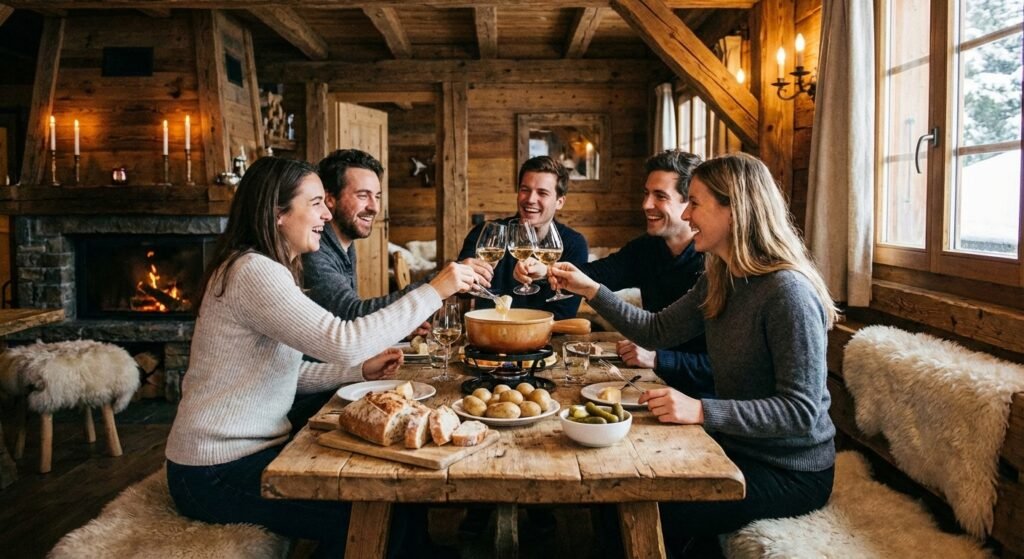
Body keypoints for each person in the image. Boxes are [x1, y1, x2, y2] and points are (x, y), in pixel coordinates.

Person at [165, 157, 479, 558]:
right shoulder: (254, 272)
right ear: (278, 214)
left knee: (396, 499)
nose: (327, 213)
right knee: (375, 515)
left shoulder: (265, 267)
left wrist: (357, 370)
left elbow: (286, 374)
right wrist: (436, 289)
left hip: (239, 458)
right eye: (316, 203)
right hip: (213, 472)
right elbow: (343, 339)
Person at [549, 153, 838, 555]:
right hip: (732, 445)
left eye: (696, 202)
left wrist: (703, 410)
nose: (686, 213)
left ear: (734, 210)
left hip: (789, 469)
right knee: (613, 487)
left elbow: (799, 411)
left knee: (644, 506)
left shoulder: (787, 293)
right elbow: (656, 330)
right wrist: (590, 289)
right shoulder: (720, 276)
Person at [515, 149, 713, 396]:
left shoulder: (714, 265)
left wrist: (660, 359)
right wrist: (546, 271)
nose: (645, 205)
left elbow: (723, 366)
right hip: (655, 384)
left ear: (689, 203)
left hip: (702, 398)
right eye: (646, 193)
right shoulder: (647, 248)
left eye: (659, 196)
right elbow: (595, 275)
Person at [303, 149, 493, 325]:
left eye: (377, 197)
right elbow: (351, 315)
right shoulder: (314, 251)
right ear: (329, 199)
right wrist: (438, 282)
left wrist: (399, 330)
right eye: (363, 196)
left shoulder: (344, 243)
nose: (374, 207)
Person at [457, 156, 588, 320]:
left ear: (559, 202)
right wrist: (463, 274)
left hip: (546, 340)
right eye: (525, 190)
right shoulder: (487, 233)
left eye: (542, 193)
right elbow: (461, 293)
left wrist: (545, 276)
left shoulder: (573, 243)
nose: (530, 199)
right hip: (492, 332)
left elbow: (564, 314)